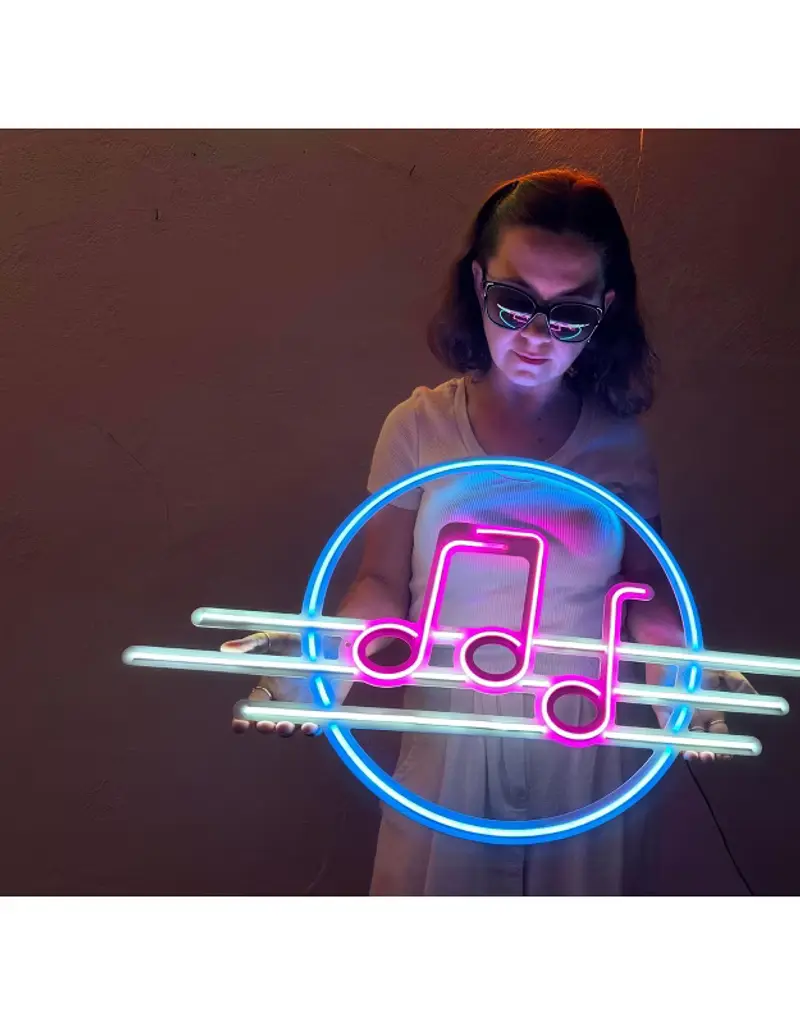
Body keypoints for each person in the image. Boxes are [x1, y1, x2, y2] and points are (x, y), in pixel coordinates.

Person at [225, 168, 751, 895]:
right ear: (478, 284)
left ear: (604, 311)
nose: (535, 335)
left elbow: (646, 592)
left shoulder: (618, 445)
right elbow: (381, 585)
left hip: (582, 744)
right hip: (450, 742)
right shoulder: (420, 427)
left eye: (568, 314)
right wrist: (318, 666)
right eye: (514, 301)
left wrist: (685, 684)